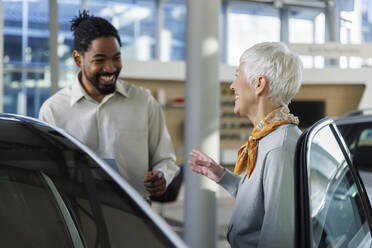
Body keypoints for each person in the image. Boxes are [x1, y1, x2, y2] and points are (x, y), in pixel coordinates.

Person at [39, 10, 179, 199]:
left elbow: (166, 159)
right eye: (100, 60)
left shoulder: (143, 102)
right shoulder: (54, 111)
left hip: (136, 213)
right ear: (78, 59)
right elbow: (48, 172)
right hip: (78, 213)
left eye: (116, 57)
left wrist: (162, 176)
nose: (111, 68)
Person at [188, 42, 303, 248]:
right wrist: (223, 176)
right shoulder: (268, 136)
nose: (232, 85)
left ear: (259, 84)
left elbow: (278, 239)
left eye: (237, 74)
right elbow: (259, 205)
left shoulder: (279, 148)